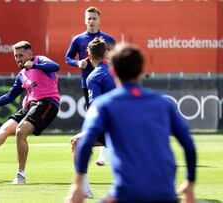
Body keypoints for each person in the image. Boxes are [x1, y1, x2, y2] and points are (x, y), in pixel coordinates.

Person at [65, 43, 197, 203]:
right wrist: (190, 182)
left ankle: (84, 189)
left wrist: (77, 183)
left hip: (126, 194)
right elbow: (188, 143)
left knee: (77, 142)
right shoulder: (163, 104)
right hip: (166, 194)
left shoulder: (104, 104)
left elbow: (86, 142)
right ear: (142, 70)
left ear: (113, 71)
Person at [0, 41, 60, 185]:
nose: (18, 59)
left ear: (30, 53)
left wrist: (35, 65)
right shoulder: (21, 75)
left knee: (20, 131)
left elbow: (56, 66)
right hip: (30, 105)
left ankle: (20, 175)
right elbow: (9, 97)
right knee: (4, 129)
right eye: (15, 56)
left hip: (47, 102)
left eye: (21, 55)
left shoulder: (39, 60)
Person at [65, 6, 115, 171]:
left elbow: (116, 58)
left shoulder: (108, 39)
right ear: (85, 20)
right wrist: (77, 63)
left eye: (94, 18)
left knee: (100, 114)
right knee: (97, 114)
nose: (91, 21)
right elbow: (68, 57)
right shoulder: (78, 39)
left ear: (99, 20)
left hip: (106, 81)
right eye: (89, 18)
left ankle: (100, 155)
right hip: (88, 83)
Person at [70, 37, 116, 199]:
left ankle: (83, 190)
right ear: (107, 53)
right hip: (131, 123)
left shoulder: (94, 77)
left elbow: (96, 107)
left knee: (77, 142)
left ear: (88, 56)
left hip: (112, 125)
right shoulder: (119, 71)